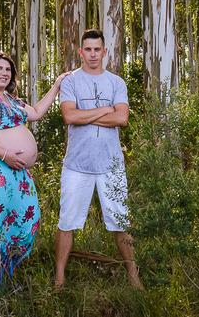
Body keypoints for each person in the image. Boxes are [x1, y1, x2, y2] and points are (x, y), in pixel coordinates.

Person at [0, 52, 69, 281]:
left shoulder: (12, 101)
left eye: (8, 70)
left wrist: (56, 86)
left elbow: (37, 112)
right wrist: (5, 155)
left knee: (27, 217)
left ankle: (5, 271)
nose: (4, 73)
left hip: (18, 171)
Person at [54, 29, 143, 289]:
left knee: (121, 222)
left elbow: (122, 118)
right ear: (80, 52)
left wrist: (86, 115)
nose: (92, 54)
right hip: (77, 165)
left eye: (97, 49)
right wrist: (105, 109)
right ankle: (59, 279)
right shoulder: (70, 81)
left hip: (110, 165)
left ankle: (134, 277)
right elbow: (69, 116)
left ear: (104, 52)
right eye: (88, 49)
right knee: (66, 222)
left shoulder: (116, 83)